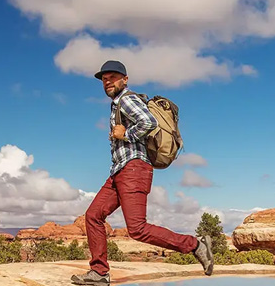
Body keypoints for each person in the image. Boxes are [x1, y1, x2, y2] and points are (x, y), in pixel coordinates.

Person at [70, 60, 214, 286]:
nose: (107, 82)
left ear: (124, 80)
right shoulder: (117, 104)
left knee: (137, 229)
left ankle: (195, 245)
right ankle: (99, 273)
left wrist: (125, 134)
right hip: (119, 171)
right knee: (93, 216)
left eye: (112, 77)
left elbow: (149, 122)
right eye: (104, 79)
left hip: (133, 169)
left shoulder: (127, 99)